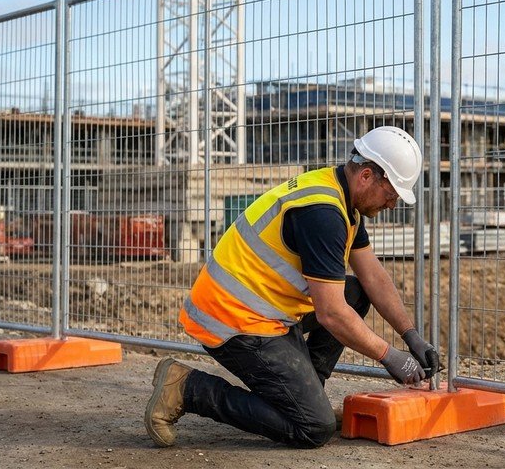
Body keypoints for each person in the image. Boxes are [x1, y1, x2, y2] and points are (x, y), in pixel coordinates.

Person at [144, 125, 440, 449]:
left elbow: (374, 278)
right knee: (313, 429)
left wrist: (411, 335)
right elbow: (331, 314)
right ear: (367, 176)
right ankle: (187, 389)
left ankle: (305, 396)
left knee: (356, 293)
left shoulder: (341, 199)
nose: (392, 204)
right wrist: (389, 356)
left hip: (263, 309)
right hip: (233, 317)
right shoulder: (323, 214)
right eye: (391, 194)